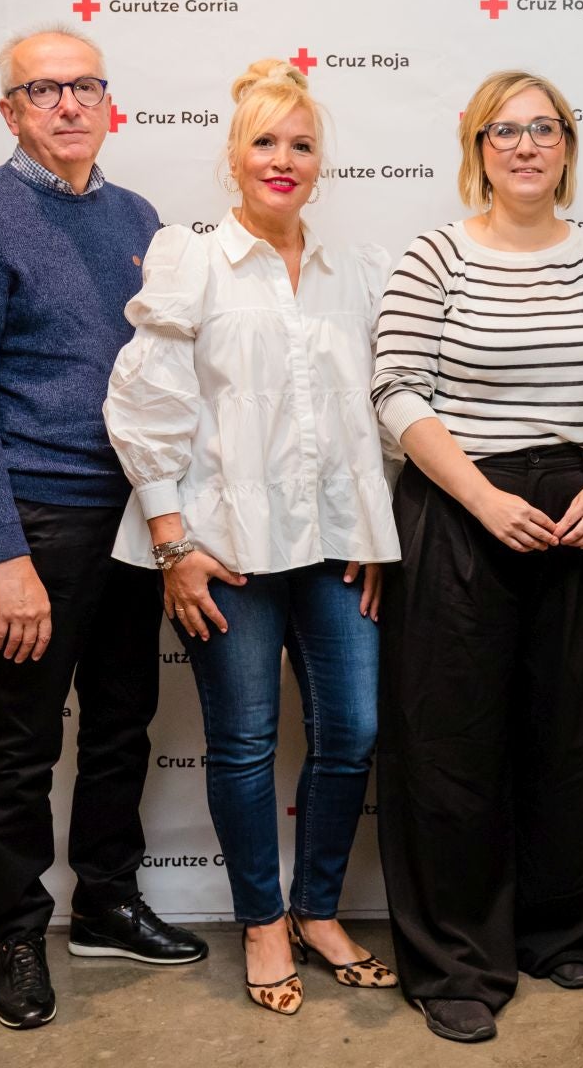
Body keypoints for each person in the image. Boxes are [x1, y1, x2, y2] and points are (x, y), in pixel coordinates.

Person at [104, 59, 401, 1015]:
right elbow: (146, 404)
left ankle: (318, 908)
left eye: (302, 144)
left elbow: (378, 413)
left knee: (352, 731)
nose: (284, 159)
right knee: (242, 744)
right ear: (235, 157)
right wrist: (171, 543)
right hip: (223, 548)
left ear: (322, 164)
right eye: (265, 142)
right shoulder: (188, 258)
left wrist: (373, 523)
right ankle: (262, 921)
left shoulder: (356, 271)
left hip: (332, 546)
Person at [0, 26, 205, 1032]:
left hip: (137, 512)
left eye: (85, 84)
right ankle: (16, 930)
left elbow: (166, 380)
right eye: (43, 90)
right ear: (10, 111)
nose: (68, 104)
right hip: (40, 518)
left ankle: (106, 901)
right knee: (22, 738)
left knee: (125, 717)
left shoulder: (139, 217)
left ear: (109, 100)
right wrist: (9, 555)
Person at [370, 70, 583, 1044]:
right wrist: (485, 497)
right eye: (506, 130)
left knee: (575, 733)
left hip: (581, 513)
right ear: (478, 146)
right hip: (462, 510)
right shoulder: (434, 256)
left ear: (569, 144)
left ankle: (564, 924)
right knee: (451, 741)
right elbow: (398, 392)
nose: (526, 145)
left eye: (544, 128)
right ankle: (456, 956)